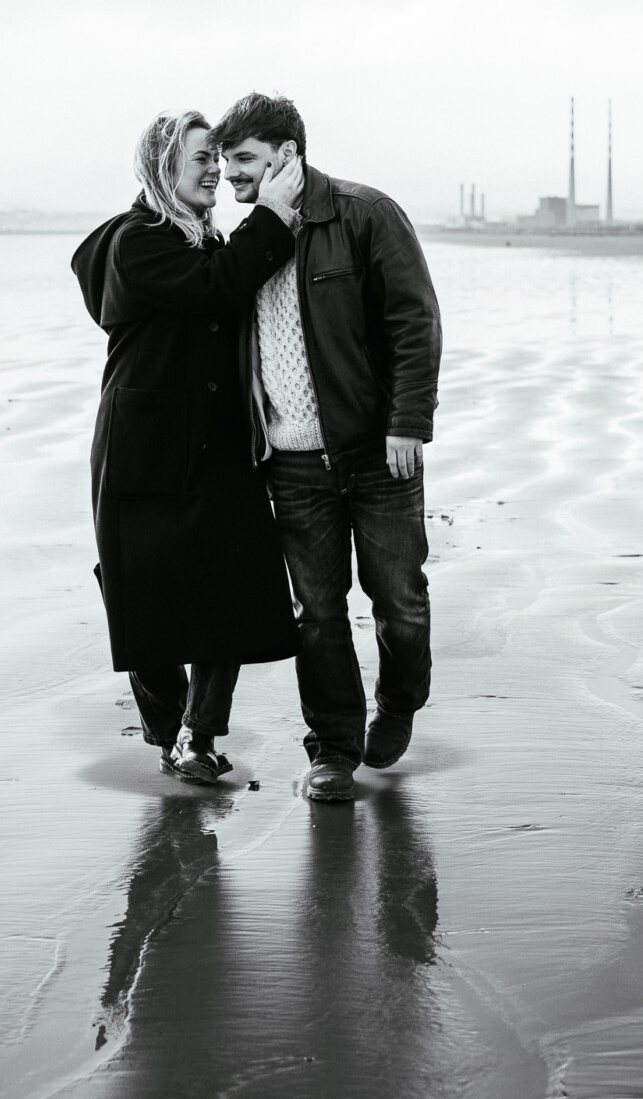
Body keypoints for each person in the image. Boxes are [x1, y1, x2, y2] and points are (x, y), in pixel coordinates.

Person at [213, 92, 442, 803]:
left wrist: (409, 421)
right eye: (223, 163)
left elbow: (415, 320)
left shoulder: (365, 213)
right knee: (318, 615)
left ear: (286, 153)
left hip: (378, 454)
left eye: (244, 159)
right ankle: (334, 750)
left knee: (399, 602)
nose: (230, 176)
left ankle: (399, 703)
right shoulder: (252, 237)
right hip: (292, 464)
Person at [71, 109, 304, 783]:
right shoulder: (137, 242)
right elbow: (216, 288)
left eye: (218, 159)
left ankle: (199, 738)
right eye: (201, 158)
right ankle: (167, 726)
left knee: (228, 586)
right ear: (162, 167)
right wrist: (276, 217)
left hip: (221, 444)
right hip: (142, 444)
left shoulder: (204, 239)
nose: (214, 171)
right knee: (139, 588)